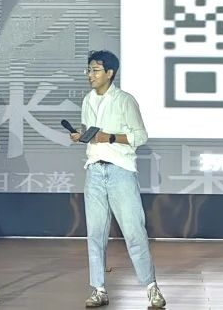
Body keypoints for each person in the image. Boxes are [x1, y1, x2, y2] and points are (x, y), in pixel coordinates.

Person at [70, 50, 166, 308]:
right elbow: (91, 132)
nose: (90, 75)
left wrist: (110, 137)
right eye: (88, 70)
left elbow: (140, 136)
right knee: (95, 233)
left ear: (109, 73)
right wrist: (81, 135)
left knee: (134, 231)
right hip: (94, 170)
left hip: (120, 170)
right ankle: (99, 289)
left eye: (95, 70)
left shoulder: (124, 100)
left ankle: (151, 287)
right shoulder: (88, 100)